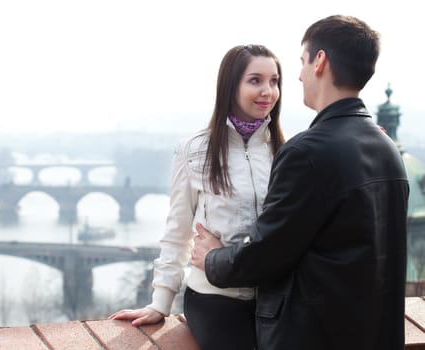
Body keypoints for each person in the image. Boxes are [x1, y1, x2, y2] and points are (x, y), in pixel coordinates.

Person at [191, 15, 409, 350]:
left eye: (303, 61)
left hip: (314, 337)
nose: (299, 75)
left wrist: (211, 259)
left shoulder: (307, 153)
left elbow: (266, 252)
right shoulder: (388, 151)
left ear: (320, 61)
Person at [109, 44, 285, 350]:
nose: (267, 91)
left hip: (275, 297)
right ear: (231, 86)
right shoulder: (195, 150)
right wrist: (161, 301)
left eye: (274, 81)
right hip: (214, 297)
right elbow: (178, 229)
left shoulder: (286, 151)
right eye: (255, 80)